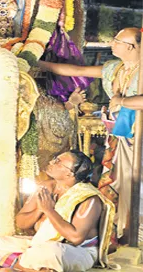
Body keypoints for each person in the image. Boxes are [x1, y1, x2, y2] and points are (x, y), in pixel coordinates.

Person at [38, 27, 140, 240]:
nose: (113, 43)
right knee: (118, 183)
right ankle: (120, 232)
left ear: (131, 46)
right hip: (119, 137)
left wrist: (122, 101)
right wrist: (39, 64)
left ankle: (136, 234)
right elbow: (76, 71)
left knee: (136, 184)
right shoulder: (115, 68)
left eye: (117, 40)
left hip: (138, 138)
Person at [0, 151, 113, 271]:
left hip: (74, 251)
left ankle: (17, 264)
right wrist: (39, 208)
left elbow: (76, 238)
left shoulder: (88, 199)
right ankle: (28, 267)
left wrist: (49, 211)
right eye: (54, 159)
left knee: (50, 253)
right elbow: (21, 223)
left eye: (58, 162)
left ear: (70, 174)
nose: (51, 162)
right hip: (38, 244)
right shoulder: (46, 187)